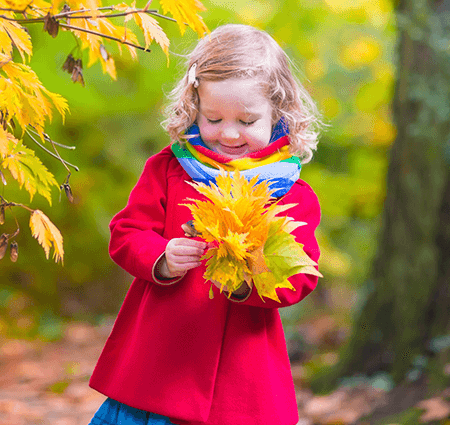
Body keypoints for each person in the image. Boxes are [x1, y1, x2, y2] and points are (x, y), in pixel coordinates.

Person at [88, 24, 322, 425]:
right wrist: (160, 257)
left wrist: (250, 281)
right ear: (193, 107)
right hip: (159, 362)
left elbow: (301, 274)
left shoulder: (293, 194)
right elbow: (126, 232)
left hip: (240, 376)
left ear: (279, 113)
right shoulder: (169, 168)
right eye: (213, 117)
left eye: (247, 121)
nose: (228, 134)